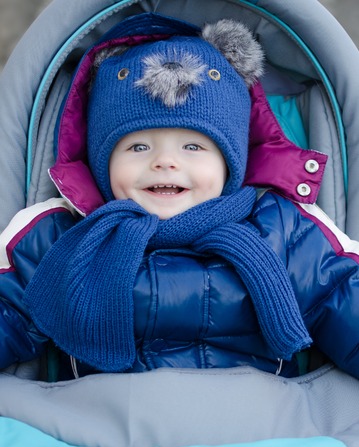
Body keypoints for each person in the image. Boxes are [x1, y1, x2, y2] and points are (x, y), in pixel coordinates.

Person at [1, 13, 359, 380]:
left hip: (250, 427)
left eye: (192, 146)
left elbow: (341, 295)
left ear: (230, 164)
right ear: (101, 163)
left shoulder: (283, 231)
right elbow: (8, 310)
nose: (165, 162)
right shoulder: (64, 235)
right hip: (102, 424)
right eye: (138, 147)